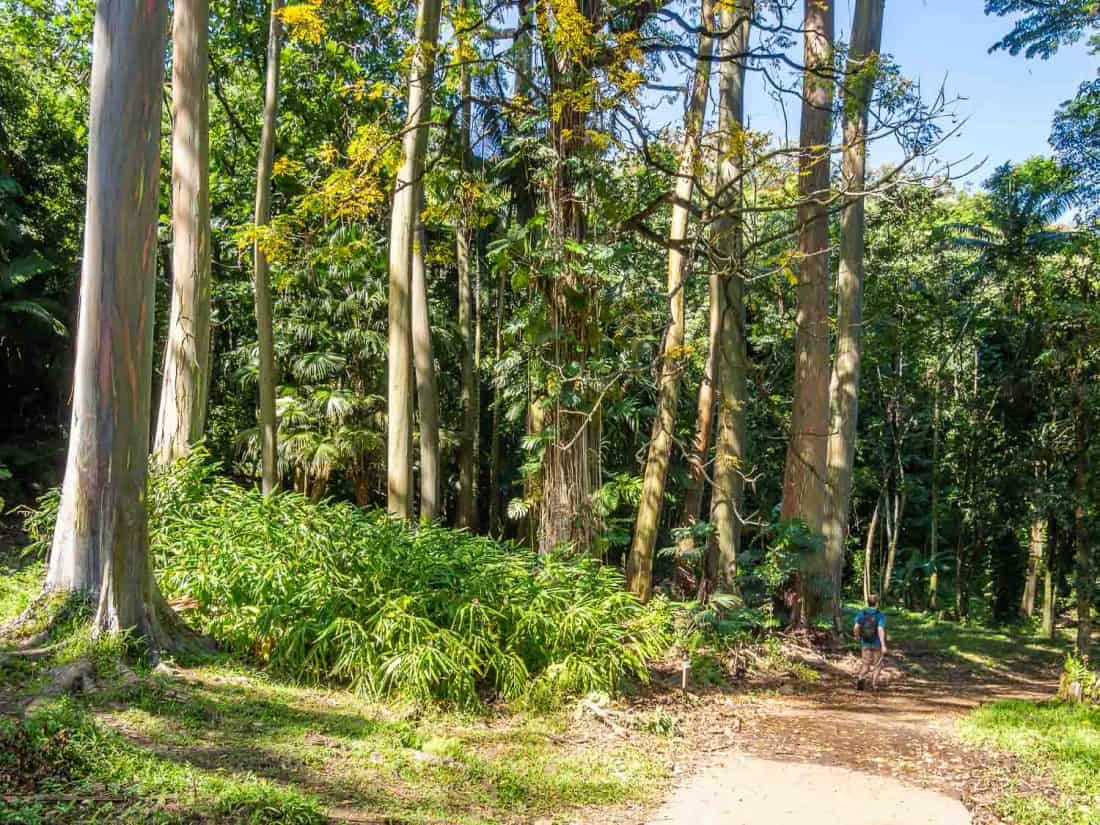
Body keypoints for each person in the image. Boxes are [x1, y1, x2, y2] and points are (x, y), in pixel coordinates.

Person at [853, 594, 887, 691]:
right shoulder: (879, 614)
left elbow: (856, 626)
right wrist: (883, 645)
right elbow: (880, 629)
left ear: (868, 602)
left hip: (865, 643)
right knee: (877, 665)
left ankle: (861, 678)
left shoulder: (862, 613)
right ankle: (874, 685)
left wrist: (857, 636)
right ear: (877, 603)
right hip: (877, 644)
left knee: (866, 665)